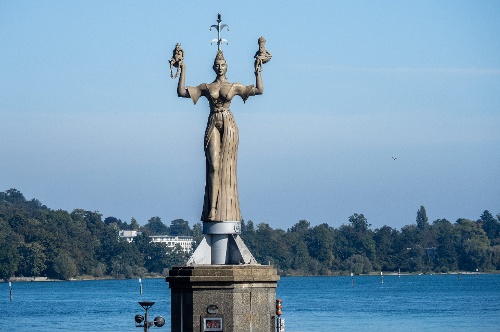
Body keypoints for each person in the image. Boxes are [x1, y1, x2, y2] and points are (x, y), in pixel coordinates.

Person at [176, 49, 264, 222]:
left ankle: (226, 206)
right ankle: (213, 208)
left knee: (228, 165)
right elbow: (181, 92)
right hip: (213, 120)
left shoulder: (234, 86)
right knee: (214, 166)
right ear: (213, 67)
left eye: (222, 64)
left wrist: (258, 71)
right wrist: (182, 68)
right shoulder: (207, 87)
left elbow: (259, 90)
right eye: (217, 65)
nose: (220, 67)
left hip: (228, 122)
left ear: (227, 67)